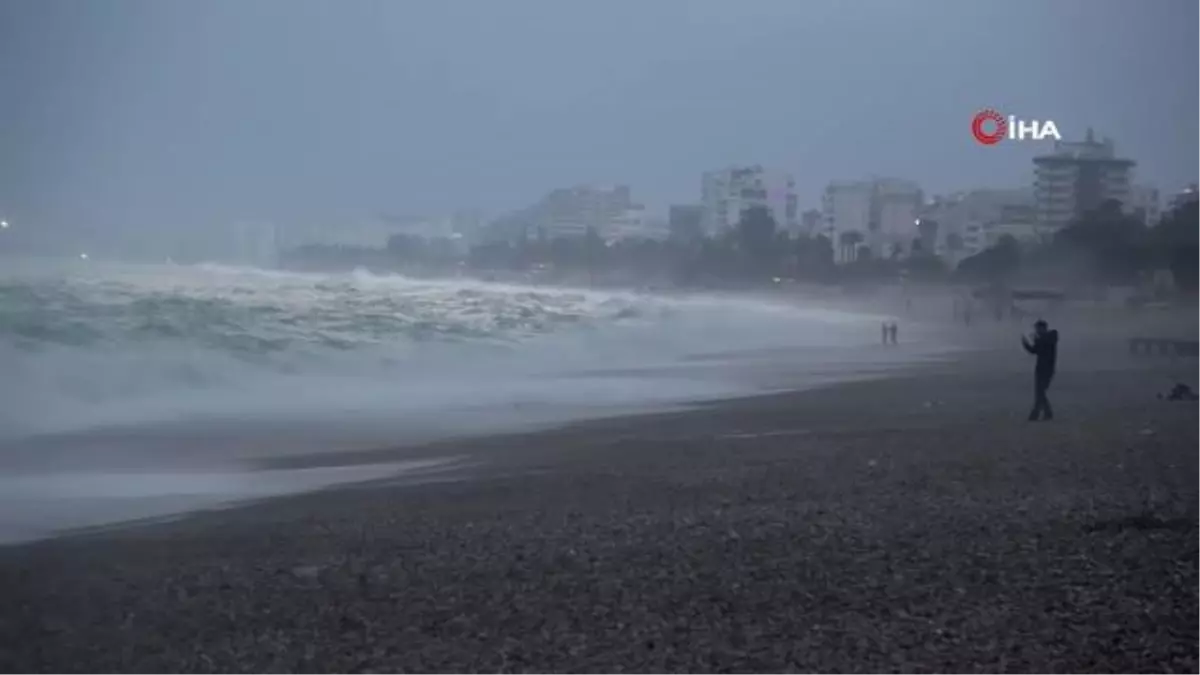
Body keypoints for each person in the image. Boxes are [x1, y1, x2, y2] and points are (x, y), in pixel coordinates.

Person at [1021, 319, 1059, 421]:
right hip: (1041, 368)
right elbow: (1034, 351)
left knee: (1040, 392)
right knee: (1040, 392)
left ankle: (1037, 414)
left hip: (1047, 369)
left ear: (1043, 328)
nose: (1036, 330)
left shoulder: (1051, 336)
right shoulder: (1045, 338)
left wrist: (1036, 339)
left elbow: (1043, 344)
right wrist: (1025, 344)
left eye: (1037, 328)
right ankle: (1044, 413)